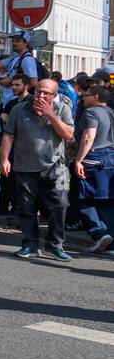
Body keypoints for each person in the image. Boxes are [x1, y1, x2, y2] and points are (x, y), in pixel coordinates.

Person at [2, 77, 75, 260]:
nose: (41, 95)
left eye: (46, 93)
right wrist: (4, 159)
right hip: (25, 166)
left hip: (54, 166)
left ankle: (54, 245)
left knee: (59, 206)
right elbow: (8, 135)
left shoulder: (62, 109)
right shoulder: (19, 109)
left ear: (54, 95)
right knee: (27, 208)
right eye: (39, 91)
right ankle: (29, 244)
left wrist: (51, 115)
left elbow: (68, 134)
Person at [74, 85, 114, 252]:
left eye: (87, 95)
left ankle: (99, 233)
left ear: (96, 97)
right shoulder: (112, 112)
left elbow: (88, 137)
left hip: (94, 158)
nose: (83, 97)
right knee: (107, 201)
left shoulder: (91, 112)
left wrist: (78, 160)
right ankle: (110, 242)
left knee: (83, 199)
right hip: (111, 158)